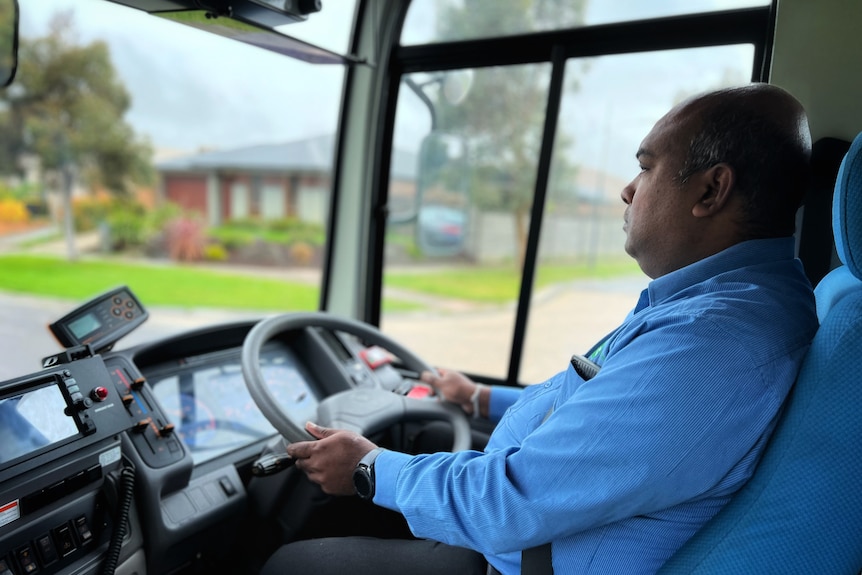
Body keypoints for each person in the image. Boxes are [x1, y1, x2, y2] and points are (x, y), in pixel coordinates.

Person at [260, 83, 818, 575]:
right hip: (531, 522)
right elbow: (597, 406)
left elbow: (511, 503)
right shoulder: (722, 300)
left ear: (710, 191)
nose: (628, 189)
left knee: (292, 563)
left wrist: (367, 467)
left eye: (646, 167)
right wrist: (480, 398)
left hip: (521, 551)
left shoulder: (712, 346)